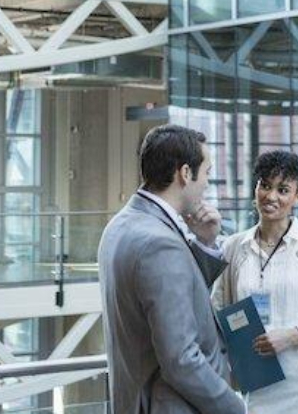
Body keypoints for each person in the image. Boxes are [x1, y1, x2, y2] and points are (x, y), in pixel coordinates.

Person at [98, 124, 245, 414]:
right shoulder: (160, 244)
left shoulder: (121, 225)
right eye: (207, 174)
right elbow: (181, 359)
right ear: (185, 173)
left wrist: (204, 242)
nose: (207, 185)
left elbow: (176, 301)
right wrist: (234, 407)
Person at [212, 150, 298, 414]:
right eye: (265, 186)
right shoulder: (233, 248)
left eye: (283, 189)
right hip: (255, 383)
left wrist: (295, 335)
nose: (271, 196)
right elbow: (217, 311)